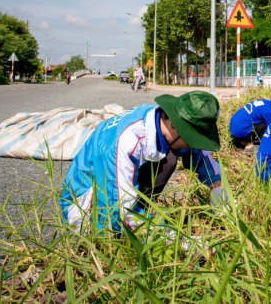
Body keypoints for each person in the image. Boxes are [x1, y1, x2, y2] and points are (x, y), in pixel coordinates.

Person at [60, 91, 228, 232]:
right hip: (87, 206)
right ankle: (123, 232)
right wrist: (171, 236)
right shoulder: (125, 143)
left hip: (117, 190)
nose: (193, 144)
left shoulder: (160, 120)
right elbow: (117, 209)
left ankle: (141, 213)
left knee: (168, 158)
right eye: (192, 138)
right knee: (112, 225)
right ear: (177, 127)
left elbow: (197, 154)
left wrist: (217, 185)